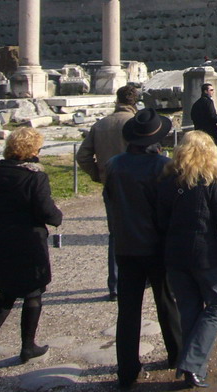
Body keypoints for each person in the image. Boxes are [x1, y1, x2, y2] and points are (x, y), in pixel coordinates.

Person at [158, 131, 217, 388]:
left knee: (189, 308)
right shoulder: (209, 180)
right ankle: (192, 361)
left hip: (176, 255)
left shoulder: (167, 180)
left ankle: (191, 365)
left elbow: (160, 221)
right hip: (205, 254)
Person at [103, 109, 182, 391]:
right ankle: (176, 354)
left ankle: (127, 369)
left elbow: (110, 201)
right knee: (167, 301)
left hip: (125, 245)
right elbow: (169, 208)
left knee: (128, 310)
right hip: (156, 244)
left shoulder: (113, 165)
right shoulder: (164, 166)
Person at [0, 127, 63, 369]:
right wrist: (58, 216)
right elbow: (46, 212)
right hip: (27, 241)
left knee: (6, 292)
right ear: (31, 150)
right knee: (33, 292)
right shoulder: (34, 177)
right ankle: (28, 346)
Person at [76, 83, 140, 300]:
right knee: (143, 229)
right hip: (137, 184)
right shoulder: (135, 123)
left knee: (116, 234)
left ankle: (114, 284)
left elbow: (82, 156)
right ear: (135, 101)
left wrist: (98, 174)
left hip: (111, 184)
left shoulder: (100, 124)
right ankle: (142, 277)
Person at [190, 83, 217, 153]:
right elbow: (213, 116)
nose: (213, 92)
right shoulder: (208, 102)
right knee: (216, 151)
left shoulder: (196, 104)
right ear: (205, 91)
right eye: (211, 90)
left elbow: (192, 116)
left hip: (199, 131)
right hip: (210, 131)